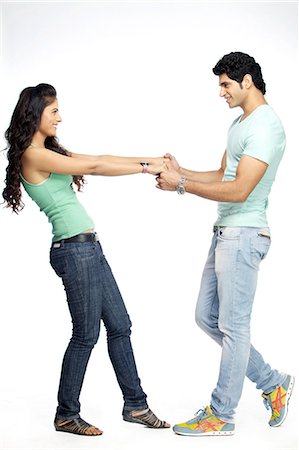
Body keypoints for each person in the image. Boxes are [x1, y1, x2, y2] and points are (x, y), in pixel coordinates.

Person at [2, 83, 170, 436]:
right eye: (54, 112)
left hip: (88, 249)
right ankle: (66, 413)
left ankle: (136, 405)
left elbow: (100, 157)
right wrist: (145, 167)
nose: (60, 118)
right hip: (73, 251)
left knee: (120, 325)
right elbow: (93, 166)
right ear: (35, 114)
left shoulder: (49, 151)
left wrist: (151, 159)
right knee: (86, 334)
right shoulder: (33, 155)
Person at [156, 52, 294, 436]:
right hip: (225, 233)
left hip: (244, 233)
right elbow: (222, 173)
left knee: (234, 326)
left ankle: (222, 414)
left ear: (247, 81)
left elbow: (239, 189)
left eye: (225, 84)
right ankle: (272, 382)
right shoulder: (240, 123)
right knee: (207, 316)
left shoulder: (266, 126)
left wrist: (180, 186)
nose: (221, 92)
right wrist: (180, 170)